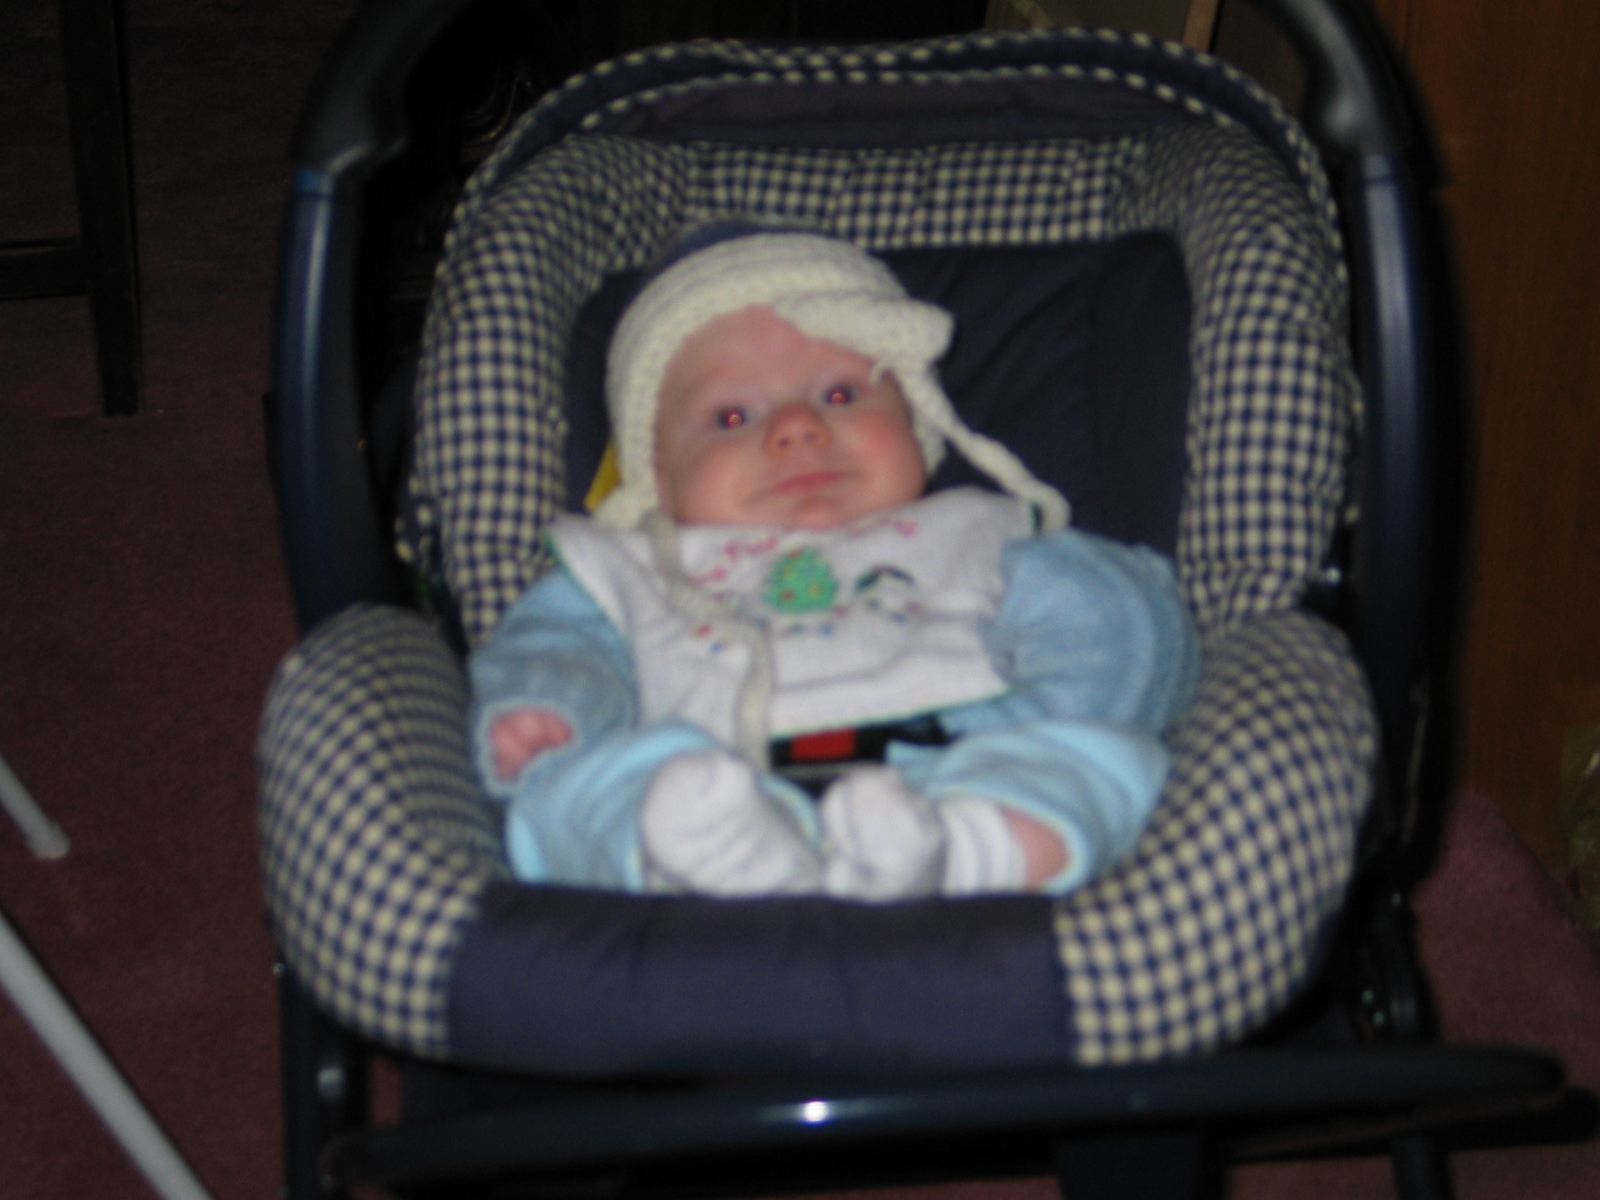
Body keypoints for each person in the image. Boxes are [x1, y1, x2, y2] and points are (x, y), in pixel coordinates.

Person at [469, 229, 1200, 900]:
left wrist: (1043, 722)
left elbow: (1116, 624)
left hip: (948, 769)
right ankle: (710, 856)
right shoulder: (633, 569)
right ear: (660, 479)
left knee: (1114, 765)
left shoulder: (977, 532)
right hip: (710, 782)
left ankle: (966, 850)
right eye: (732, 417)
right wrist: (547, 704)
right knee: (562, 799)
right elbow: (556, 645)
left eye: (841, 394)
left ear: (914, 418)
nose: (798, 427)